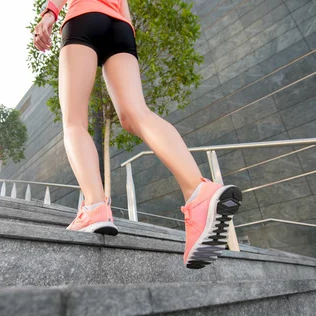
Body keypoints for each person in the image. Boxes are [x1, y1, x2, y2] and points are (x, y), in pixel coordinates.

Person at [33, 0, 242, 268]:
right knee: (136, 114)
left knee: (74, 121)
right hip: (120, 27)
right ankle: (199, 192)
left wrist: (49, 12)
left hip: (84, 18)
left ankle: (94, 206)